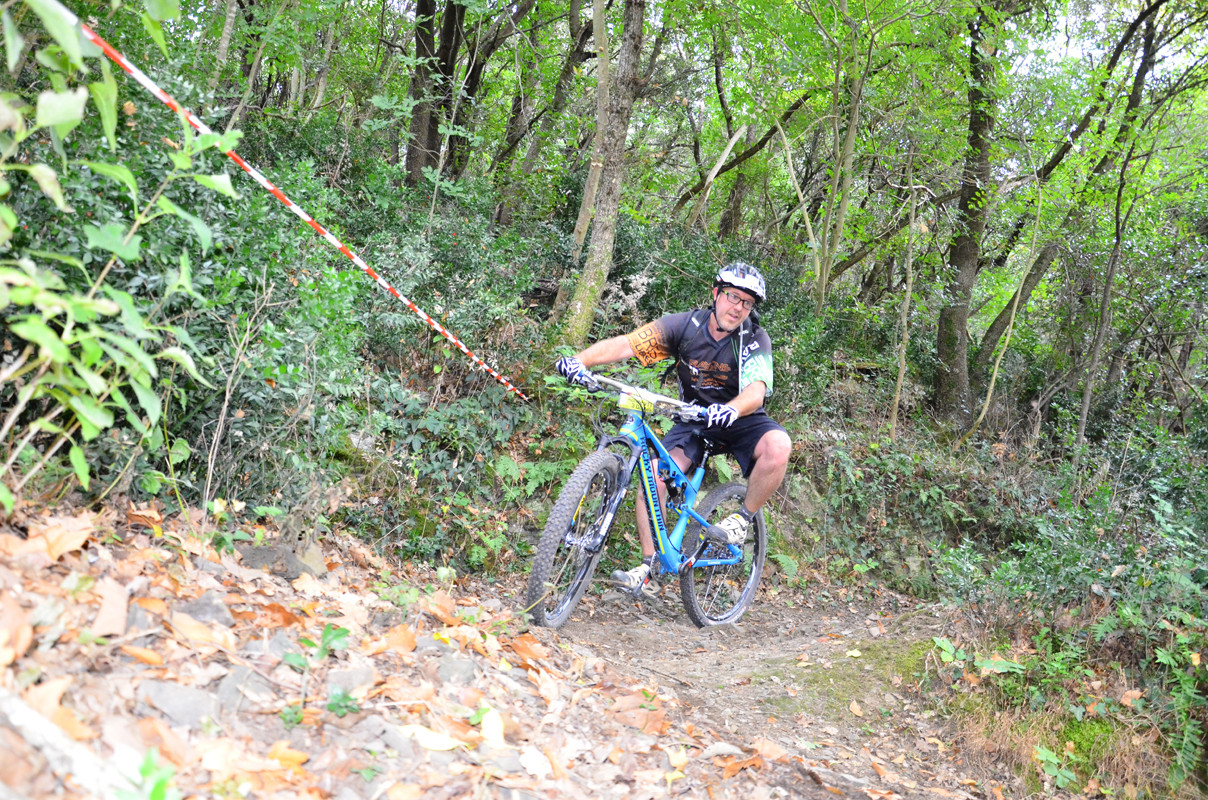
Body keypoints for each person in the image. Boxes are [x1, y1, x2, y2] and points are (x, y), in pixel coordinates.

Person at [554, 262, 792, 595]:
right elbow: (629, 345)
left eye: (746, 302)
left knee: (779, 446)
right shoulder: (687, 326)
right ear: (716, 294)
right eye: (732, 297)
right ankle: (648, 566)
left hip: (740, 419)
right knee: (653, 477)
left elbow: (756, 388)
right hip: (694, 419)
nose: (737, 307)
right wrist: (581, 361)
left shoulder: (752, 337)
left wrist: (732, 409)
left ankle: (742, 518)